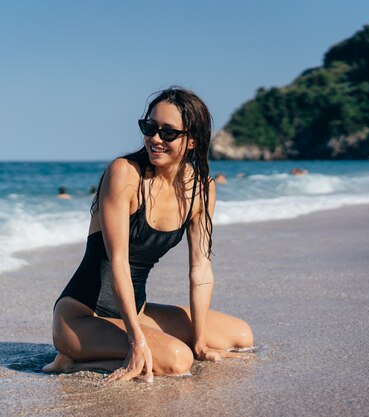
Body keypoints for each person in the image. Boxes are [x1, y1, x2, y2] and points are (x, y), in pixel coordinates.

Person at [44, 87, 253, 382]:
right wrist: (136, 339)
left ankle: (135, 341)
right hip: (82, 318)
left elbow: (201, 267)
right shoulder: (125, 173)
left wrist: (201, 339)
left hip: (135, 310)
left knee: (241, 335)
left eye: (168, 133)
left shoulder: (202, 189)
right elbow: (119, 262)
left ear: (191, 139)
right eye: (149, 127)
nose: (155, 138)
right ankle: (71, 361)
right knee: (179, 360)